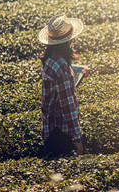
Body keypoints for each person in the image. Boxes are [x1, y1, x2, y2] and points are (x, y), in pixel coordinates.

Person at [38, 14, 90, 158]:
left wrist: (78, 73)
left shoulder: (51, 59)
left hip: (50, 127)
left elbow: (59, 89)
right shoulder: (61, 65)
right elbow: (68, 105)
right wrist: (78, 138)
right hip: (60, 131)